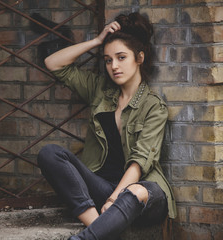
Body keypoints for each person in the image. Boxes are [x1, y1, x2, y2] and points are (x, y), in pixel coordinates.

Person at [37, 12, 177, 240]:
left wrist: (115, 199)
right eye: (108, 60)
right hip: (100, 190)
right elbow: (53, 63)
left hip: (139, 193)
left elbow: (140, 162)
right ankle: (100, 227)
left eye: (122, 57)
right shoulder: (99, 89)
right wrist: (96, 41)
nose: (114, 66)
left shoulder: (154, 106)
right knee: (50, 153)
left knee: (135, 190)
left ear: (139, 58)